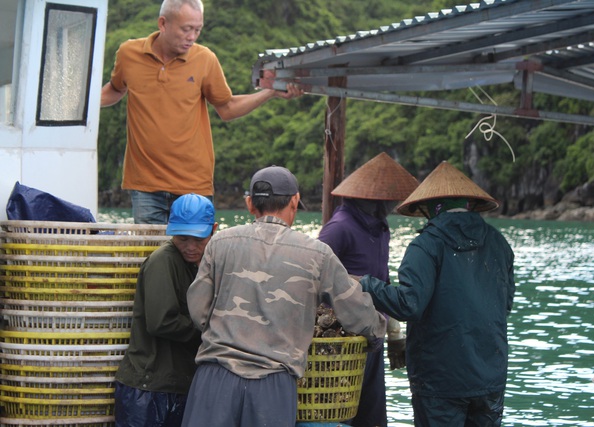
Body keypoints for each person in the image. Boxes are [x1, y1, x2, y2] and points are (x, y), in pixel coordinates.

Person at [182, 165, 387, 427]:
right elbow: (359, 313)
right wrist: (377, 331)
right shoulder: (318, 254)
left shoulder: (219, 243)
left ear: (249, 204)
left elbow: (198, 310)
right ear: (294, 201)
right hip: (272, 385)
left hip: (214, 378)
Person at [100, 0, 303, 224]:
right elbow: (116, 90)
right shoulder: (129, 54)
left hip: (193, 185)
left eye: (197, 29)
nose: (192, 37)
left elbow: (226, 108)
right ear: (163, 23)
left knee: (194, 256)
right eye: (186, 29)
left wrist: (270, 92)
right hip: (145, 186)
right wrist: (78, 104)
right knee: (153, 257)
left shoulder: (205, 59)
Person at [359, 161, 515, 427]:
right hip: (490, 373)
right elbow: (505, 304)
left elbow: (409, 304)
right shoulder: (499, 243)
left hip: (440, 379)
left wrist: (365, 284)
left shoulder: (426, 245)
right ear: (470, 204)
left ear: (432, 207)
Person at [318, 152, 419, 427]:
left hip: (373, 334)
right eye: (388, 199)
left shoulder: (380, 228)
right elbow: (315, 277)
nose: (393, 204)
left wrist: (395, 332)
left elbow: (382, 281)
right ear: (372, 199)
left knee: (372, 414)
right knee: (341, 412)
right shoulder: (339, 228)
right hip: (343, 340)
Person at [114, 193, 217, 427]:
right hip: (148, 390)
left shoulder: (201, 265)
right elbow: (162, 321)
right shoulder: (163, 261)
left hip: (175, 384)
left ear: (214, 230)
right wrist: (213, 332)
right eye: (182, 238)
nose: (190, 247)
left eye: (199, 239)